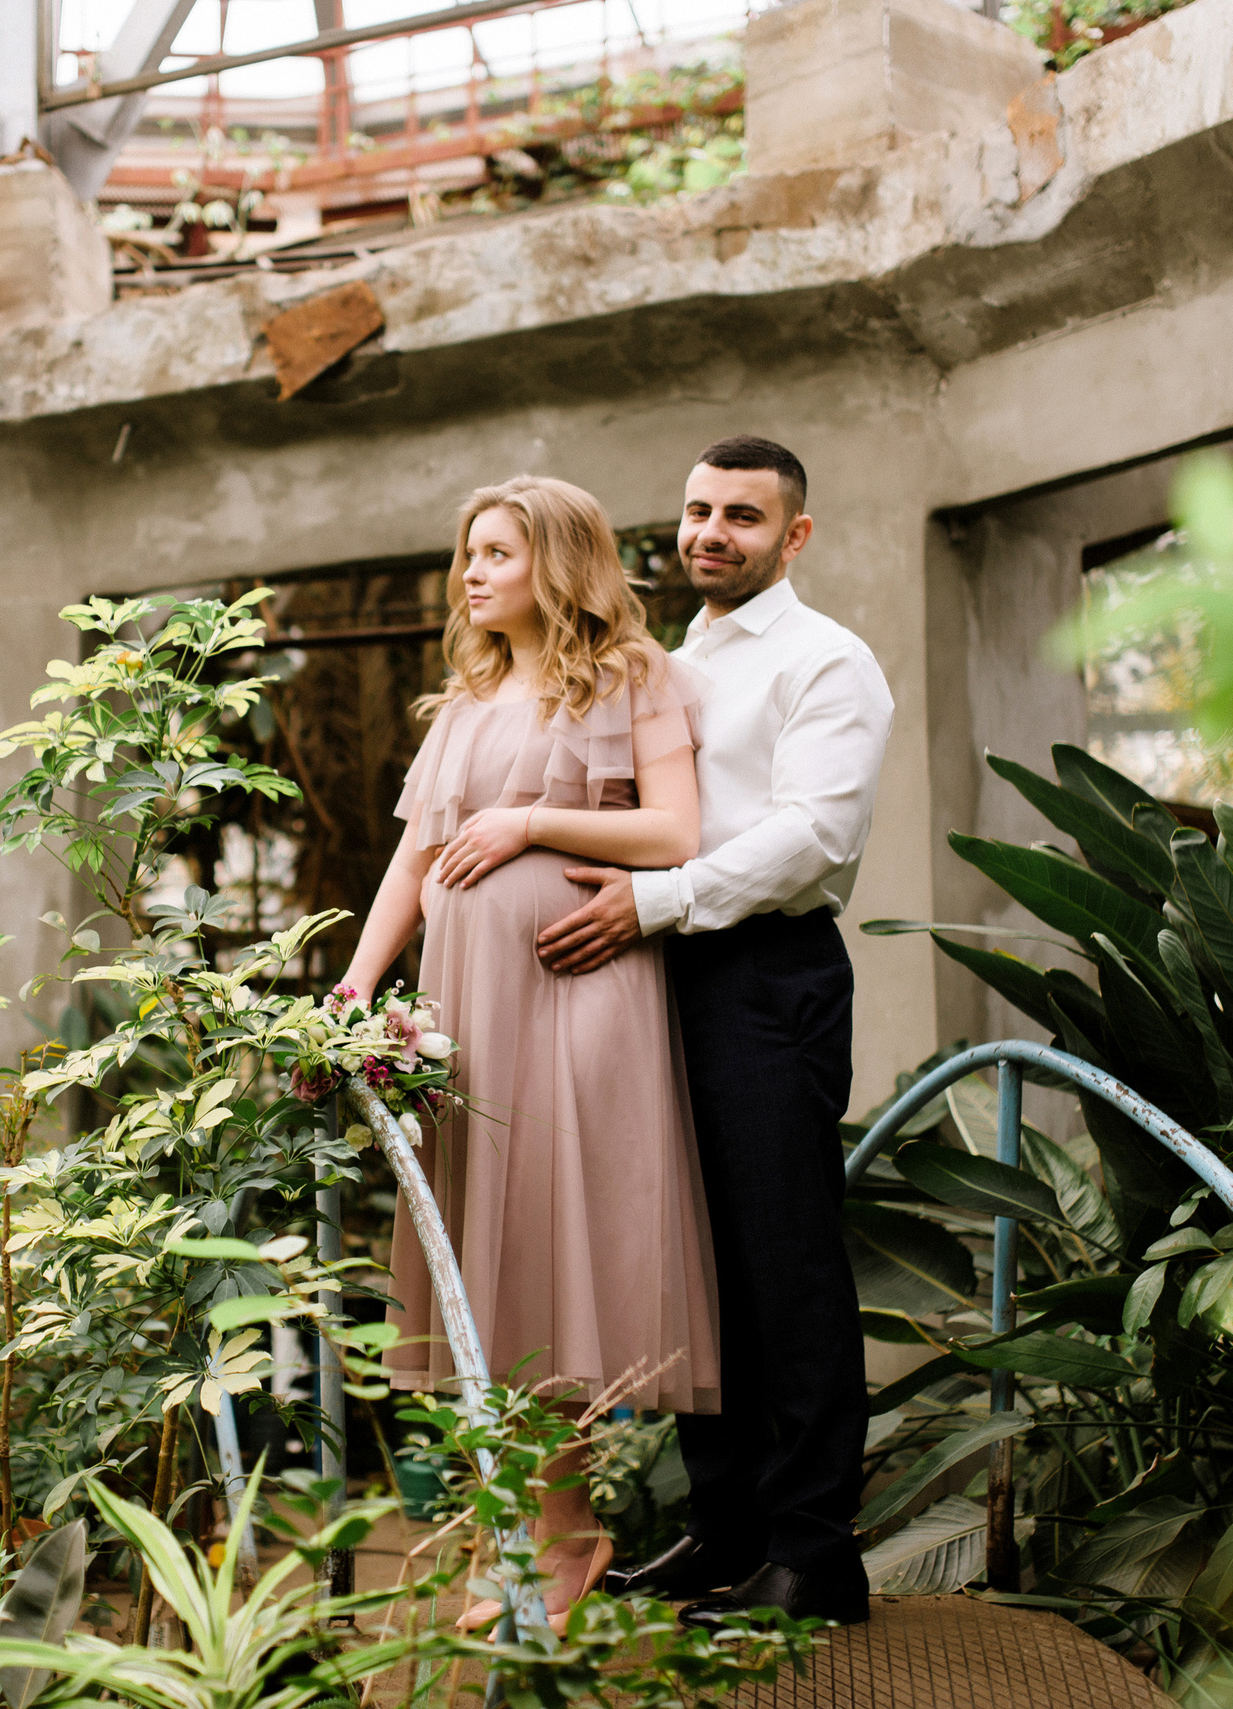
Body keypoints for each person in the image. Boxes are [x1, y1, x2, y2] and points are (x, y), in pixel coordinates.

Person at [339, 473, 721, 1632]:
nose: (471, 572)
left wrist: (528, 821)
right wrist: (356, 985)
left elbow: (675, 831)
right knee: (489, 1250)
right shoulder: (460, 701)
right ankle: (522, 1522)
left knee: (559, 1240)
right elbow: (412, 862)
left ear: (556, 560)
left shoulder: (631, 676)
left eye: (495, 551)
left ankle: (565, 1526)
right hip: (469, 1008)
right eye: (467, 553)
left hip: (579, 994)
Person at [539, 435, 894, 1628]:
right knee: (690, 1256)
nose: (709, 532)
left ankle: (813, 1555)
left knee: (782, 1261)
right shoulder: (665, 661)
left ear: (793, 536)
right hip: (652, 972)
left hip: (761, 972)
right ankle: (724, 1527)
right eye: (697, 509)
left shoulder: (828, 663)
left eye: (741, 516)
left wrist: (652, 900)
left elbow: (812, 840)